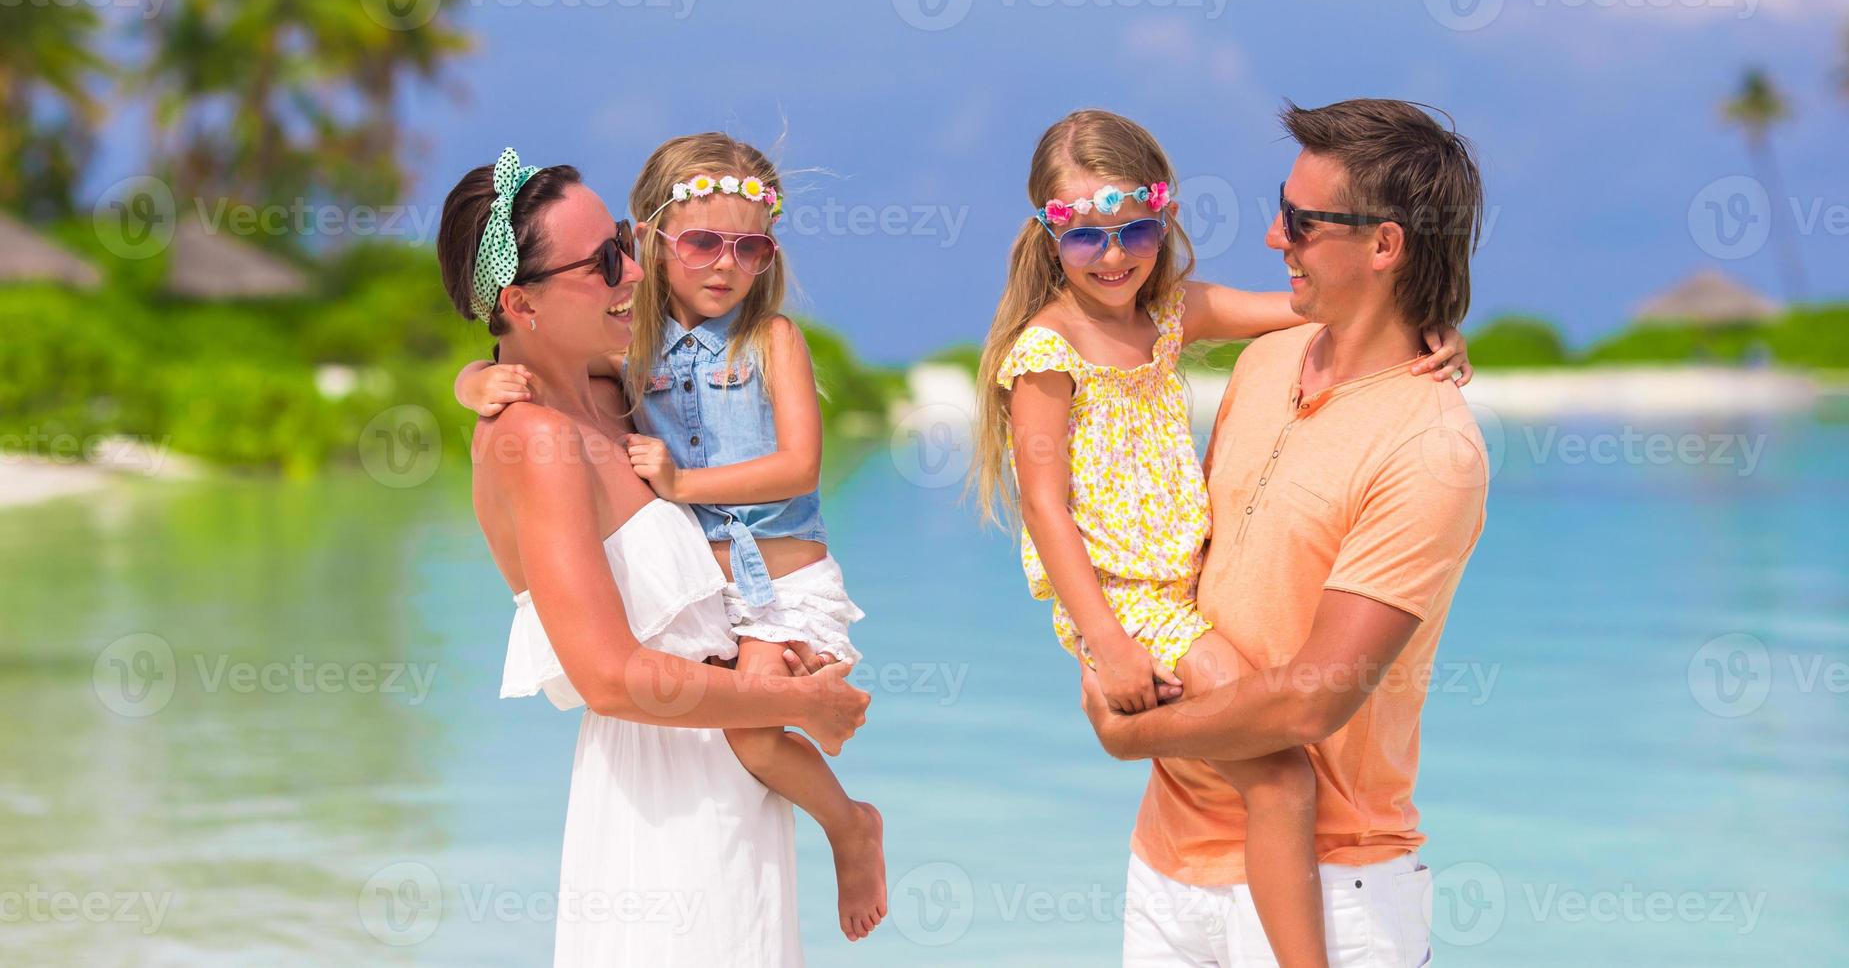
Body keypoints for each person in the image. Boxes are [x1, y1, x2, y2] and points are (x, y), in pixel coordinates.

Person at [969, 109, 1473, 967]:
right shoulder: (1055, 351)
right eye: (1084, 236)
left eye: (1136, 229)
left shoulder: (1423, 444)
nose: (1114, 255)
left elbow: (1294, 310)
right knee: (1279, 774)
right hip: (1135, 637)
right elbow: (1044, 505)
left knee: (1280, 771)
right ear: (1047, 232)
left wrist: (1428, 323)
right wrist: (1105, 640)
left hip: (1343, 881)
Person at [437, 148, 869, 966]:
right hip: (660, 810)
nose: (636, 273)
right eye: (605, 259)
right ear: (520, 301)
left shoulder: (610, 394)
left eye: (625, 247)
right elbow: (608, 677)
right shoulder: (535, 441)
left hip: (734, 785)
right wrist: (800, 709)